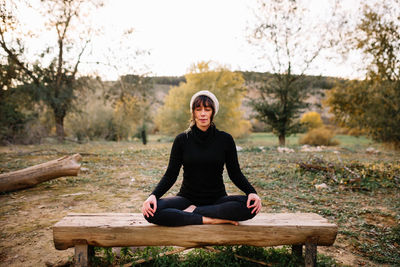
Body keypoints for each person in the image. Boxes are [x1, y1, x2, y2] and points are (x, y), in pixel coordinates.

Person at [142, 90, 261, 226]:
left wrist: (252, 192)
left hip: (217, 200)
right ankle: (208, 219)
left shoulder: (225, 139)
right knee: (151, 211)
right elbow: (171, 174)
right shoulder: (182, 140)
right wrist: (153, 196)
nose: (203, 113)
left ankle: (193, 212)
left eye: (207, 109)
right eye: (198, 109)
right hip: (186, 199)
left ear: (213, 112)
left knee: (250, 206)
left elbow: (235, 173)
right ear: (193, 112)